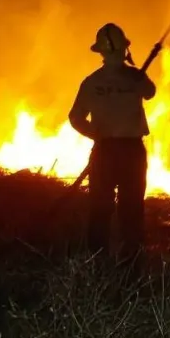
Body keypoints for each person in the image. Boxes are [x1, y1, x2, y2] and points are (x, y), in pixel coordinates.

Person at [68, 22, 157, 262]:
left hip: (106, 152)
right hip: (130, 152)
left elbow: (75, 117)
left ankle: (98, 262)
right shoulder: (135, 77)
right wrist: (138, 76)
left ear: (101, 53)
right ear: (123, 50)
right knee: (131, 209)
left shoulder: (92, 82)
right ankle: (131, 263)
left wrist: (95, 134)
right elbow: (150, 92)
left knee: (99, 209)